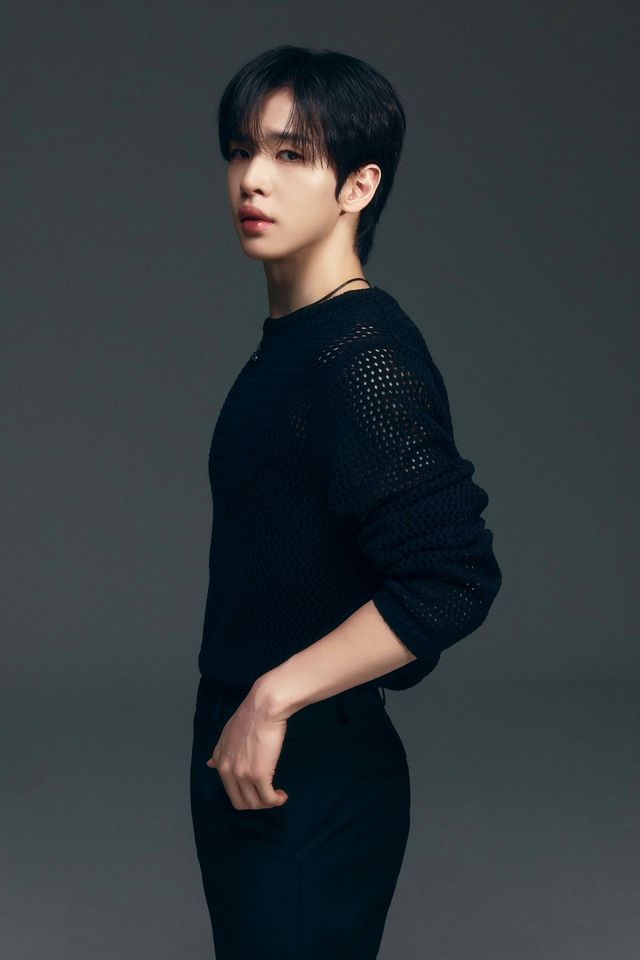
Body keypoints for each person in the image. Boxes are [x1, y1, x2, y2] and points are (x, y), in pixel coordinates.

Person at [189, 44, 502, 960]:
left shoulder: (361, 358)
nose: (252, 178)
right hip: (251, 758)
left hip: (312, 775)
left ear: (359, 186)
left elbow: (452, 576)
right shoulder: (294, 342)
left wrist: (273, 696)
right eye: (241, 150)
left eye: (291, 155)